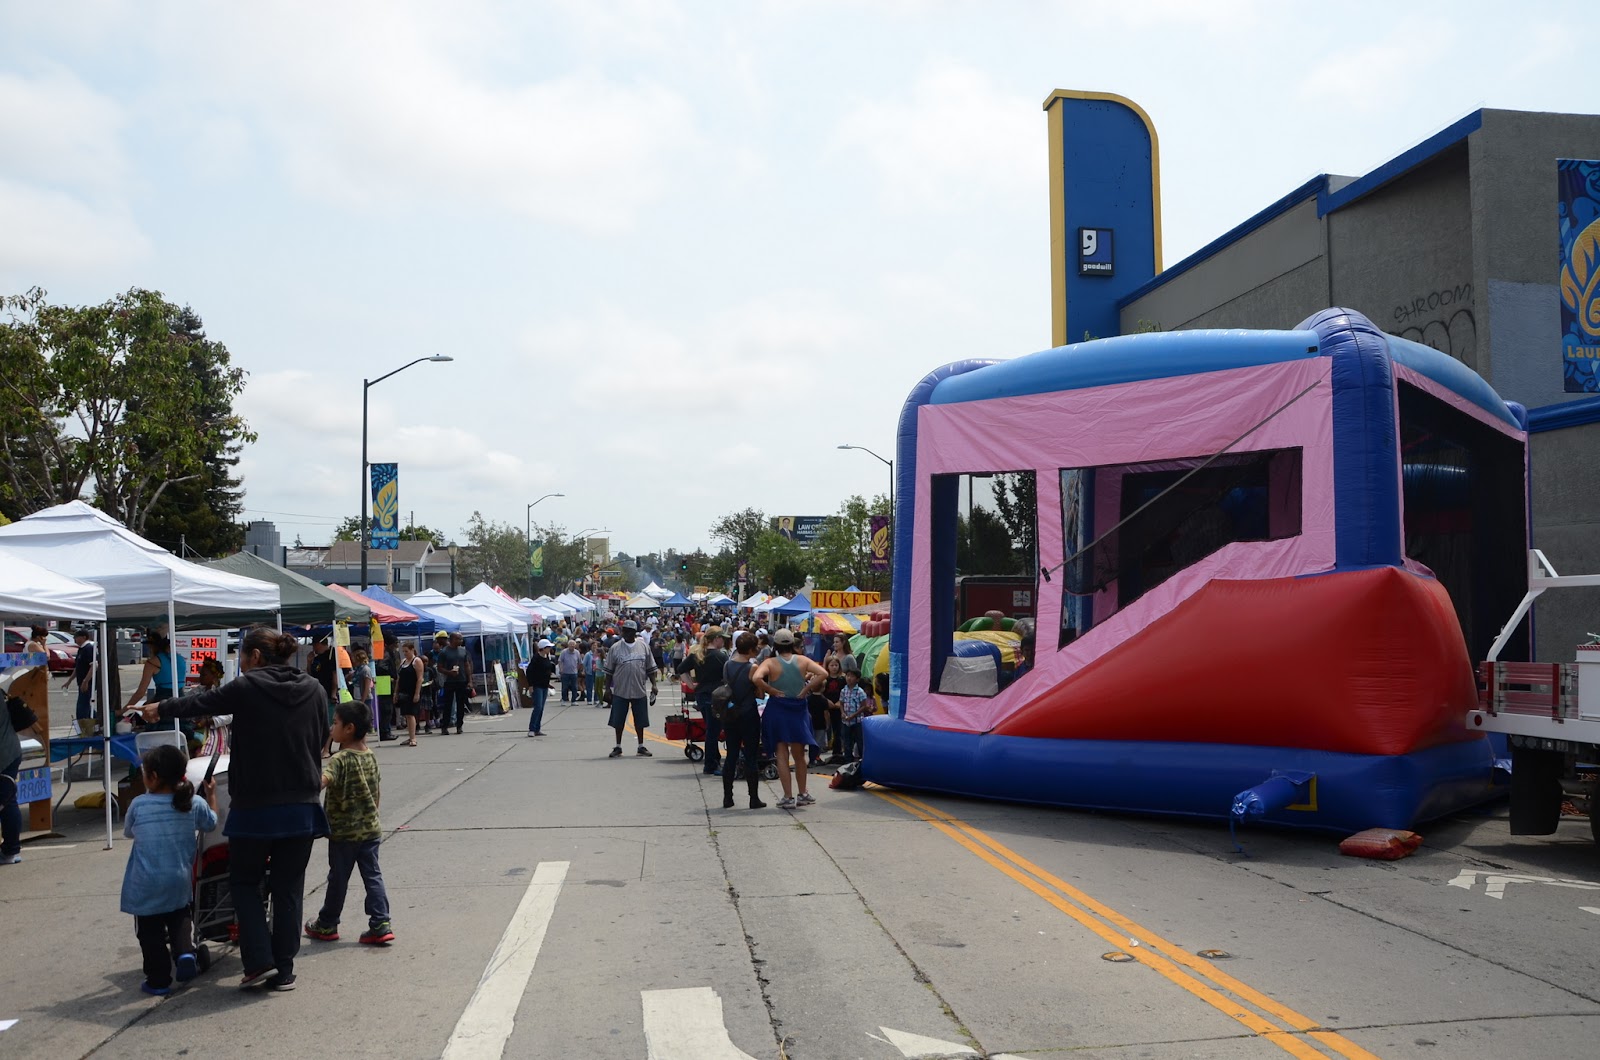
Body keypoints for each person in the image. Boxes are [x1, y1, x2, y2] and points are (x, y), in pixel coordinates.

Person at [141, 626, 329, 991]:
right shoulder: (315, 689)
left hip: (255, 808)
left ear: (255, 657)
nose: (241, 664)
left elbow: (200, 702)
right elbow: (321, 739)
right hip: (302, 808)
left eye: (242, 656)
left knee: (244, 882)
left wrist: (159, 708)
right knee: (289, 889)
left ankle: (259, 962)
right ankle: (285, 969)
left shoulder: (248, 687)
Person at [121, 744, 218, 995]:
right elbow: (212, 823)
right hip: (179, 878)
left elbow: (129, 832)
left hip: (146, 881)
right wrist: (212, 797)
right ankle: (185, 952)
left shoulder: (139, 805)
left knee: (150, 933)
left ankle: (158, 980)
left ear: (152, 777)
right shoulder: (193, 803)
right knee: (179, 918)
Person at [304, 701, 393, 946]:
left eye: (335, 723)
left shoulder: (340, 759)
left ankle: (327, 922)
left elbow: (322, 781)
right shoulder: (370, 756)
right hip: (370, 830)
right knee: (372, 875)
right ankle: (381, 922)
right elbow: (376, 793)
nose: (332, 728)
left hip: (344, 834)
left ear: (349, 728)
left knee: (338, 878)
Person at [751, 628, 826, 809]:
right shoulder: (802, 660)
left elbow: (756, 678)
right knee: (799, 755)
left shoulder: (770, 662)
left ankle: (787, 796)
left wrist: (772, 690)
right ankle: (802, 793)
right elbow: (823, 673)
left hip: (777, 708)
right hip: (797, 708)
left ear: (775, 645)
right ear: (793, 644)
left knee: (781, 754)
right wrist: (806, 690)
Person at [720, 632, 766, 810]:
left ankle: (727, 797)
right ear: (751, 649)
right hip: (748, 714)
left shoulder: (727, 665)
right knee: (750, 756)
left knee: (731, 754)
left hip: (731, 713)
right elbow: (760, 693)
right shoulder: (753, 668)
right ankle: (753, 798)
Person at [603, 620, 658, 758]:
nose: (625, 633)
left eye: (628, 630)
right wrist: (607, 689)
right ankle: (618, 746)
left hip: (639, 689)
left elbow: (651, 668)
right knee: (618, 720)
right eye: (624, 630)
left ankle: (640, 745)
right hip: (621, 690)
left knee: (640, 720)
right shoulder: (615, 648)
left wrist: (654, 685)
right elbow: (609, 671)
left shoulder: (643, 647)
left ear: (634, 632)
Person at [682, 628, 728, 775]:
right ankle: (710, 764)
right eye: (722, 638)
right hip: (718, 696)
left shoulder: (697, 655)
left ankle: (714, 758)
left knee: (711, 727)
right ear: (716, 639)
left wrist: (690, 685)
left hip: (702, 694)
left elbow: (681, 669)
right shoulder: (721, 656)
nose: (724, 641)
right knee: (713, 731)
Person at [2, 694, 42, 865]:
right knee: (8, 801)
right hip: (10, 750)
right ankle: (12, 849)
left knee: (7, 802)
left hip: (4, 754)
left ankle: (11, 850)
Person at [124, 630, 188, 709]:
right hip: (181, 702)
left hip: (163, 705)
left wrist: (123, 710)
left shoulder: (152, 663)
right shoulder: (181, 659)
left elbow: (140, 693)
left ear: (152, 646)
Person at [436, 632, 472, 735]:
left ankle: (459, 725)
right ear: (452, 640)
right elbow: (439, 668)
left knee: (461, 705)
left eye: (461, 639)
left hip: (462, 680)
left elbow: (467, 665)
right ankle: (445, 726)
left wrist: (469, 680)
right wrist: (449, 673)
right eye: (458, 639)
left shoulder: (463, 651)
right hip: (449, 681)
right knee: (448, 705)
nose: (460, 641)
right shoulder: (444, 652)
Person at [63, 628, 97, 733]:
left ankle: (85, 729)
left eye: (76, 637)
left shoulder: (88, 648)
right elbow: (78, 668)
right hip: (81, 681)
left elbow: (94, 665)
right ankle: (97, 721)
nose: (75, 639)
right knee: (85, 705)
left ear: (83, 637)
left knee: (82, 707)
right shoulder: (81, 649)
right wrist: (69, 681)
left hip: (88, 683)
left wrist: (86, 681)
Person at [523, 640, 555, 737]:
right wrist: (530, 685)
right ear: (543, 648)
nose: (549, 649)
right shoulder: (536, 658)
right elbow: (529, 672)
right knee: (538, 707)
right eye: (548, 647)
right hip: (537, 686)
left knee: (541, 708)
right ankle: (532, 728)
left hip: (545, 685)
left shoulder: (547, 657)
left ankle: (537, 728)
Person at [396, 641, 425, 746]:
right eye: (403, 651)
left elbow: (420, 678)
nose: (405, 653)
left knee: (411, 714)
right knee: (406, 714)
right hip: (403, 691)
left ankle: (413, 738)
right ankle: (410, 736)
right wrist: (396, 692)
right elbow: (399, 678)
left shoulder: (416, 661)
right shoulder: (403, 662)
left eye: (406, 651)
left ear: (412, 650)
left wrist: (417, 693)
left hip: (412, 691)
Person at [838, 668, 870, 761]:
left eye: (852, 676)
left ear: (857, 679)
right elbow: (841, 703)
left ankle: (862, 760)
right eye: (848, 676)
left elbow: (864, 706)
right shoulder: (844, 690)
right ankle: (848, 761)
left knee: (860, 741)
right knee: (847, 742)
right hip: (846, 721)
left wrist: (853, 715)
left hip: (857, 721)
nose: (849, 678)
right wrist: (842, 713)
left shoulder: (860, 691)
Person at [821, 657, 847, 763]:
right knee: (827, 728)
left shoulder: (842, 679)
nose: (834, 667)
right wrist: (827, 702)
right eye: (832, 665)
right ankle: (825, 747)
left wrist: (839, 703)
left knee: (838, 729)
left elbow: (844, 692)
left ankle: (838, 751)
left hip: (838, 707)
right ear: (827, 667)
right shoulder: (825, 679)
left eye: (836, 665)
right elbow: (821, 691)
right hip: (827, 707)